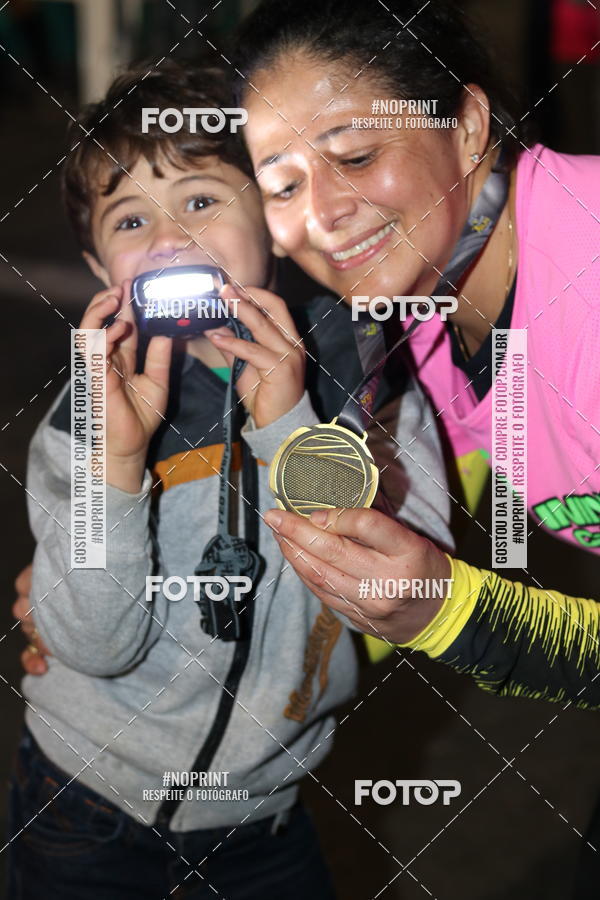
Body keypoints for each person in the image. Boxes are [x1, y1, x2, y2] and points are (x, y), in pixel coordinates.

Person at [8, 56, 452, 899]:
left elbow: (402, 593)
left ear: (276, 221)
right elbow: (93, 643)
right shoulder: (88, 415)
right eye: (131, 220)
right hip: (84, 806)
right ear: (103, 272)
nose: (170, 237)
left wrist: (292, 428)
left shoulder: (366, 372)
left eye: (203, 201)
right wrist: (118, 465)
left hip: (266, 814)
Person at [230, 0, 600, 710]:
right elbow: (404, 524)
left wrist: (454, 614)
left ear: (465, 129)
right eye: (283, 185)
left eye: (358, 156)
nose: (321, 214)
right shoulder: (426, 305)